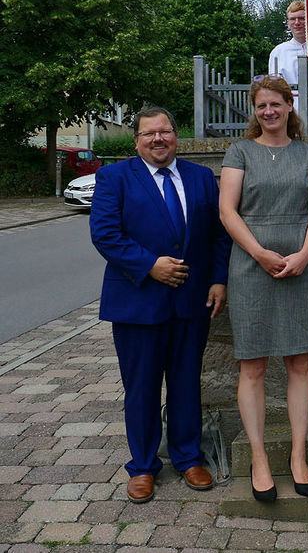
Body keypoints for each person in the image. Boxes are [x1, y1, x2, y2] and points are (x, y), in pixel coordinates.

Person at [90, 106, 231, 504]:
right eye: (149, 133)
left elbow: (219, 236)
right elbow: (104, 234)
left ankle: (189, 458)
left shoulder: (202, 178)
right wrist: (149, 265)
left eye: (165, 132)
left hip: (192, 302)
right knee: (142, 387)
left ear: (175, 136)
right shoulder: (114, 177)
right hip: (137, 303)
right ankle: (143, 465)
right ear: (136, 140)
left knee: (187, 383)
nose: (158, 139)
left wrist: (219, 280)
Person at [219, 76, 308, 502]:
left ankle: (298, 455)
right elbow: (227, 211)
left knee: (299, 361)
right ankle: (260, 458)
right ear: (255, 109)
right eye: (261, 106)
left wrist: (304, 254)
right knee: (254, 366)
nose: (269, 112)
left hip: (300, 264)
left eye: (276, 105)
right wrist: (260, 253)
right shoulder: (239, 151)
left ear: (289, 105)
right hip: (251, 265)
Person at [267, 0, 308, 106]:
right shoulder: (278, 52)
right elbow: (274, 88)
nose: (297, 23)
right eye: (293, 19)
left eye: (302, 18)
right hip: (292, 110)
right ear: (288, 23)